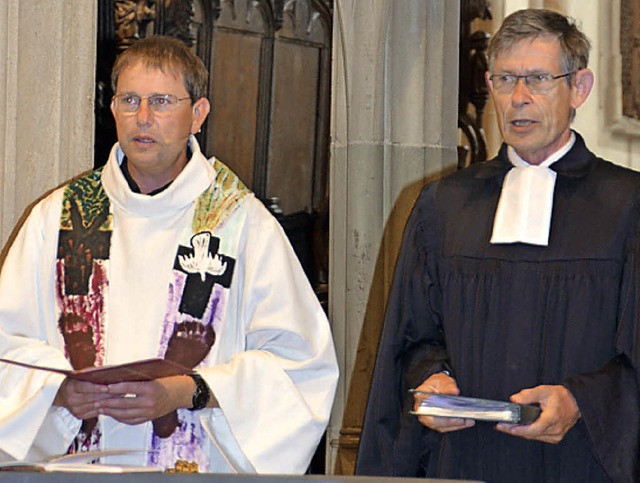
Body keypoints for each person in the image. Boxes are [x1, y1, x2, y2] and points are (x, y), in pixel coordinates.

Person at [0, 35, 338, 474]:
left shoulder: (242, 224)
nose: (143, 118)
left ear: (197, 114)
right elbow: (7, 344)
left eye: (161, 101)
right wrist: (57, 391)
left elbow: (301, 366)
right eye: (129, 100)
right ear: (113, 109)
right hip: (77, 464)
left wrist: (187, 390)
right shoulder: (59, 216)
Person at [356, 8, 640, 483]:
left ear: (580, 88)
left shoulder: (628, 206)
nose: (519, 98)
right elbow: (411, 339)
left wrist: (581, 402)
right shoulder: (444, 206)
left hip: (582, 463)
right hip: (465, 459)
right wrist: (431, 381)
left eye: (538, 79)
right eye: (505, 79)